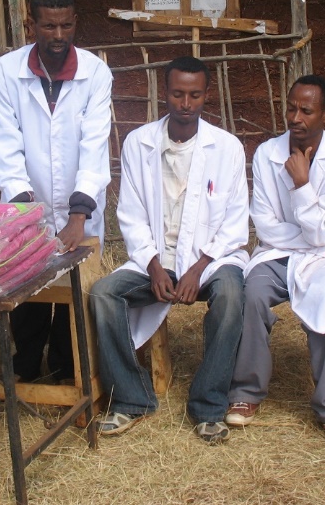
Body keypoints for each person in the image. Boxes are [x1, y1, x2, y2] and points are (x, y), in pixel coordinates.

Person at [90, 56, 248, 444]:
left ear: (206, 95)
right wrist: (154, 265)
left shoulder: (226, 147)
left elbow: (235, 223)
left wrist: (197, 269)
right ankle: (131, 398)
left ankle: (209, 406)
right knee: (103, 294)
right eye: (178, 93)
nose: (186, 103)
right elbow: (130, 213)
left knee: (231, 292)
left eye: (195, 94)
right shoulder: (138, 143)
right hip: (156, 261)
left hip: (210, 262)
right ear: (165, 93)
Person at [225, 74, 325, 449]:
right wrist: (316, 234)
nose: (295, 117)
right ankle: (247, 391)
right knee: (252, 292)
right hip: (278, 255)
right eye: (290, 107)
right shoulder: (268, 155)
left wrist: (302, 185)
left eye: (306, 110)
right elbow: (266, 226)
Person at [0, 0, 113, 382]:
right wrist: (28, 212)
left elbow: (95, 147)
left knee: (76, 288)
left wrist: (79, 215)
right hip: (29, 202)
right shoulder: (7, 72)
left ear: (75, 23)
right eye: (48, 26)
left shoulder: (95, 72)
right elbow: (5, 147)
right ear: (31, 25)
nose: (58, 35)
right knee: (26, 286)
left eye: (65, 25)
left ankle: (64, 370)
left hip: (82, 206)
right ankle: (26, 368)